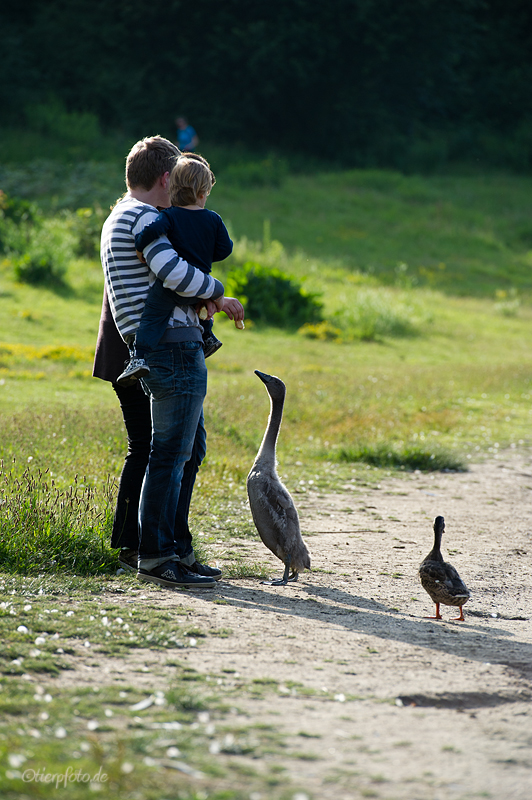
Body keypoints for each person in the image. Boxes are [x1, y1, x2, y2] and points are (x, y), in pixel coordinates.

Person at [97, 134, 244, 589]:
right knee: (168, 454)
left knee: (187, 450)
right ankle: (158, 554)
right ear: (166, 177)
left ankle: (175, 546)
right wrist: (218, 292)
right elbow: (173, 272)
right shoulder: (143, 217)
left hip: (171, 342)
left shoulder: (122, 215)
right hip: (172, 346)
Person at [116, 153, 232, 387]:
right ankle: (207, 335)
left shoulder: (169, 216)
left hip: (171, 287)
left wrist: (139, 246)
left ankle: (139, 357)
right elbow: (225, 249)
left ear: (172, 188)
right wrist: (207, 253)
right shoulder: (214, 219)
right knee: (201, 302)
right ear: (203, 193)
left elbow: (149, 232)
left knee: (153, 314)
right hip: (200, 279)